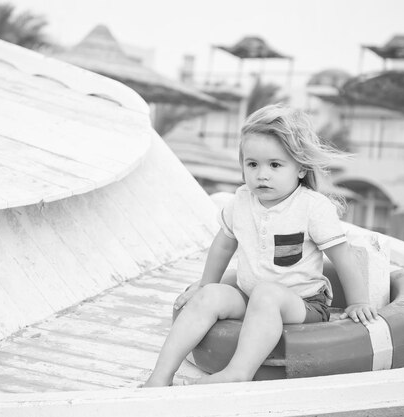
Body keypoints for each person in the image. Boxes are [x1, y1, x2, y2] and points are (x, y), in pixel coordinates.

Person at [143, 104, 378, 387]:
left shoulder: (311, 207)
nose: (262, 174)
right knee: (209, 297)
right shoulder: (242, 200)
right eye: (252, 164)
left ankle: (237, 373)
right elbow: (222, 246)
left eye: (275, 165)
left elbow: (343, 257)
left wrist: (358, 302)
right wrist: (205, 284)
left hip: (303, 304)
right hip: (250, 295)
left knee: (267, 294)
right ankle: (159, 377)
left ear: (301, 168)